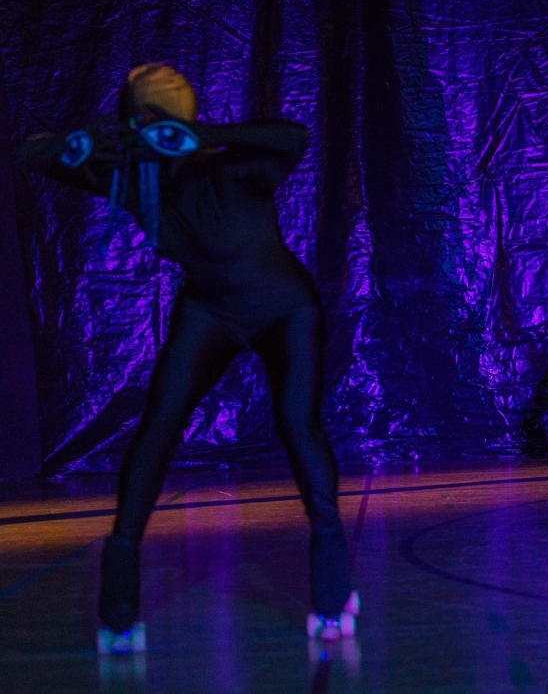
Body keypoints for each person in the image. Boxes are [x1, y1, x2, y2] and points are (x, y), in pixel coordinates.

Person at [17, 64, 357, 652]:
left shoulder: (232, 164)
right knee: (159, 424)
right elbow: (32, 153)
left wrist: (204, 135)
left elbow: (293, 137)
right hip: (210, 312)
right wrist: (94, 142)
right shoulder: (132, 178)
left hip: (284, 310)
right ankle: (119, 607)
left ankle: (332, 591)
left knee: (296, 426)